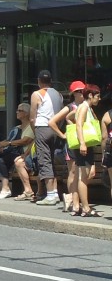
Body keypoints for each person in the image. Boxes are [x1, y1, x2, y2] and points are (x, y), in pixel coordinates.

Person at [48, 81, 97, 214]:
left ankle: (76, 201)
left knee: (83, 173)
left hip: (82, 142)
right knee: (74, 173)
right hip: (73, 144)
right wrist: (63, 135)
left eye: (84, 90)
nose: (83, 93)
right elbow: (52, 122)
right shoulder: (70, 107)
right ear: (74, 93)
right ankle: (74, 203)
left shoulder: (86, 106)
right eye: (80, 91)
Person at [30, 70, 64, 204]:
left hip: (42, 127)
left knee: (44, 160)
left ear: (39, 81)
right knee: (51, 159)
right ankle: (55, 192)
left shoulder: (37, 94)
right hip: (55, 129)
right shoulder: (58, 94)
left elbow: (33, 117)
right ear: (51, 81)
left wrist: (35, 130)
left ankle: (50, 194)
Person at [0, 102, 34, 199]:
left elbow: (26, 140)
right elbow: (9, 140)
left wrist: (8, 143)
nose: (17, 112)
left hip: (20, 152)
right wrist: (2, 143)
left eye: (20, 110)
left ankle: (6, 188)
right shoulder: (16, 128)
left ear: (26, 113)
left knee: (2, 161)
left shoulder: (31, 126)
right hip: (11, 150)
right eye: (17, 110)